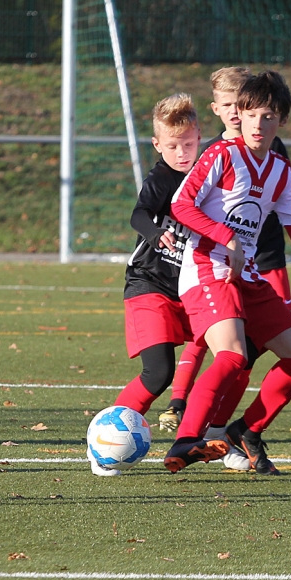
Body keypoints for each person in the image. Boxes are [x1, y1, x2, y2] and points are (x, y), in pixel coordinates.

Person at [165, 70, 291, 475]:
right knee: (233, 355)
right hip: (206, 267)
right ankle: (187, 438)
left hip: (247, 276)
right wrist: (227, 238)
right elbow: (181, 205)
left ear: (281, 120)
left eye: (268, 116)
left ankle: (246, 430)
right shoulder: (221, 154)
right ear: (238, 114)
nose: (257, 124)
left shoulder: (280, 170)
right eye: (250, 114)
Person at [93, 94, 201, 477]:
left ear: (199, 138)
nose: (181, 153)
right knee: (158, 372)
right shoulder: (161, 179)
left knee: (231, 349)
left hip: (191, 287)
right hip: (149, 283)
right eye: (172, 146)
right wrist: (156, 234)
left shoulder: (209, 174)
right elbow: (138, 214)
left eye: (188, 144)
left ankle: (216, 435)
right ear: (157, 145)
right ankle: (105, 445)